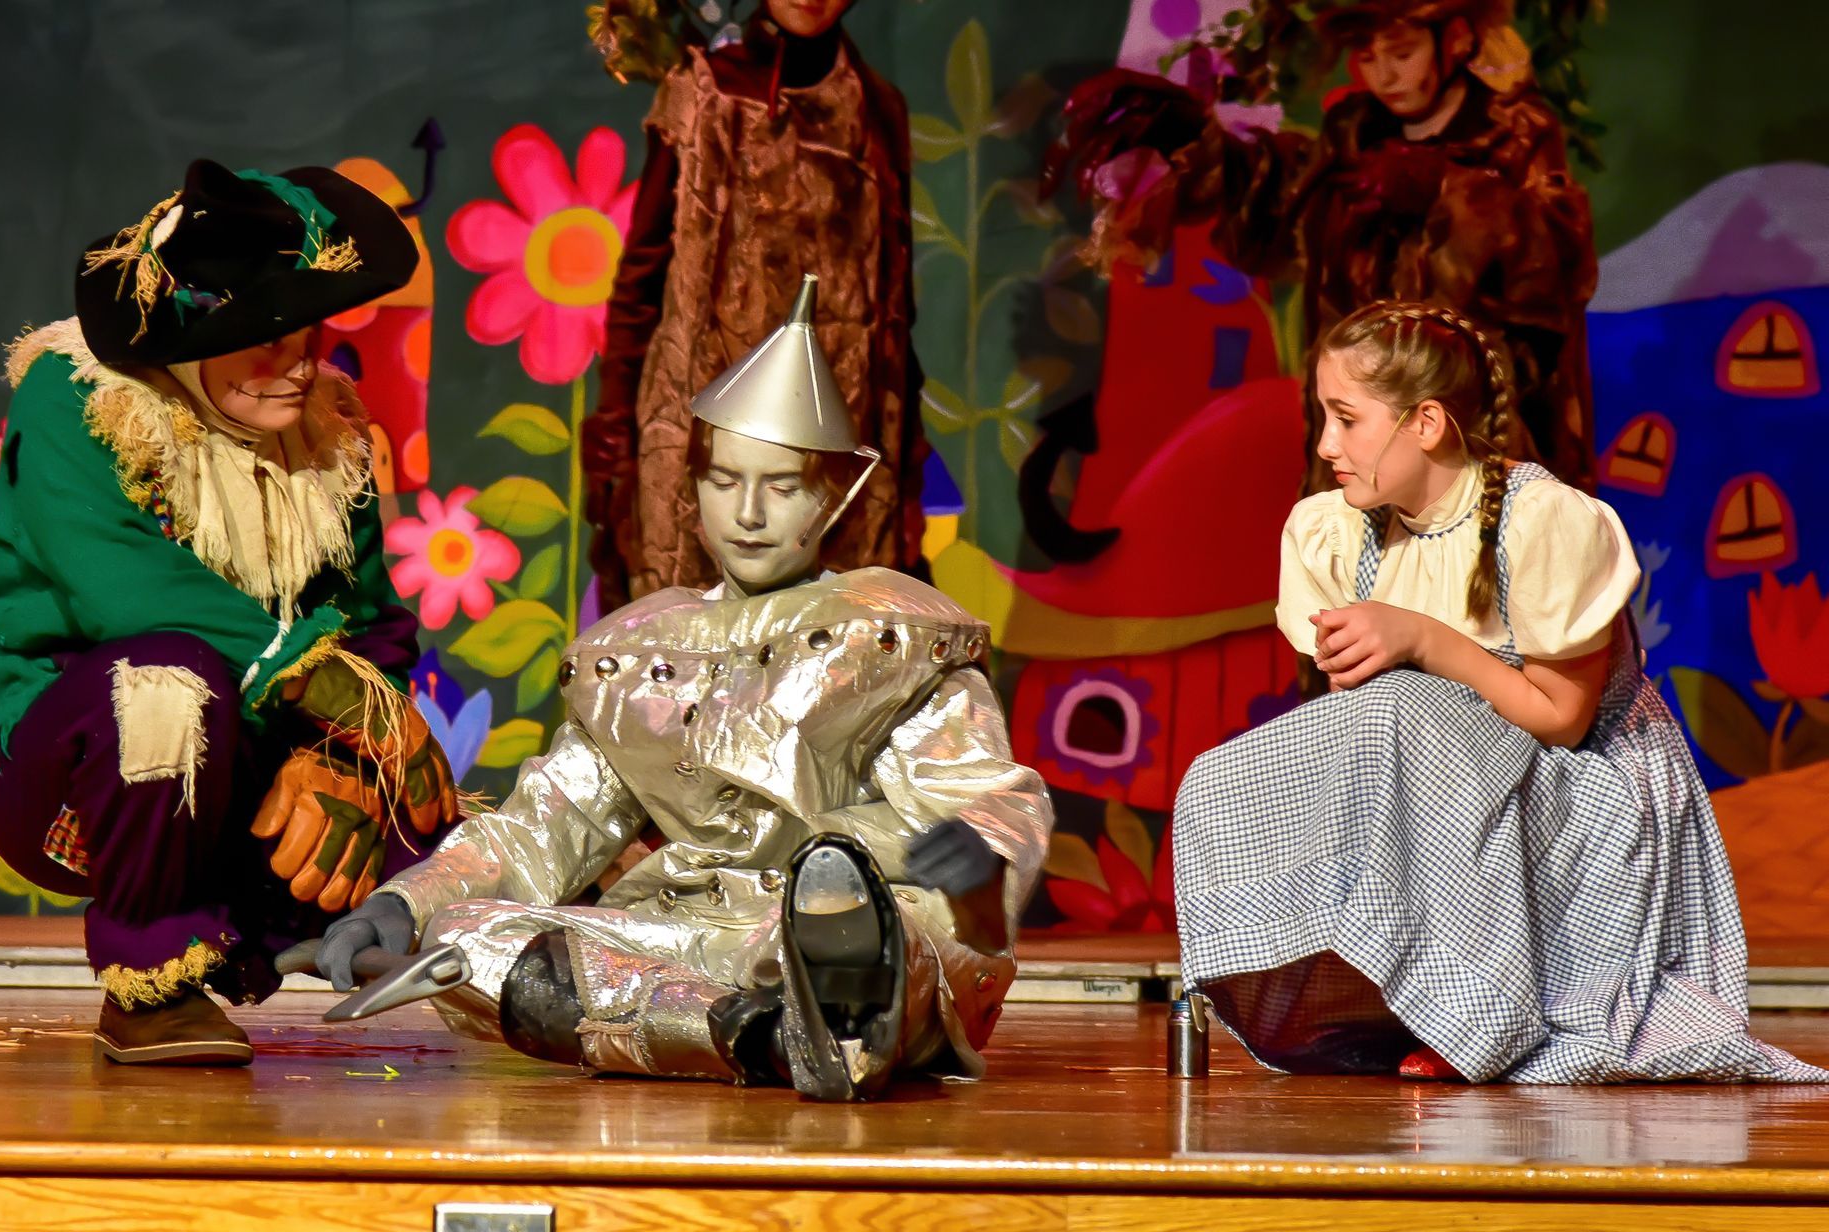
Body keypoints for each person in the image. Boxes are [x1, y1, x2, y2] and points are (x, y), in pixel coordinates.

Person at [316, 277, 1051, 1101]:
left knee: (908, 932)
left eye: (781, 485)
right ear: (692, 482)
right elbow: (547, 825)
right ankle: (758, 1037)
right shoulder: (639, 653)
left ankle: (823, 1004)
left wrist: (977, 853)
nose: (747, 512)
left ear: (833, 490)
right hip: (686, 938)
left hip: (845, 918)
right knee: (470, 941)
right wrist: (409, 904)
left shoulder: (891, 634)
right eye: (723, 479)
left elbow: (987, 797)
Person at [1170, 299, 1826, 1084]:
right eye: (1323, 416)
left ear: (1427, 423)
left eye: (1347, 419)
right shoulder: (1334, 530)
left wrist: (1423, 639)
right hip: (1441, 765)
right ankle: (1296, 986)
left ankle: (1481, 1013)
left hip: (1581, 782)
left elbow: (1564, 718)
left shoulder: (1543, 521)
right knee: (1222, 774)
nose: (1325, 445)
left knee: (1398, 717)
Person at [0, 160, 455, 1065]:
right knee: (164, 681)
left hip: (244, 744)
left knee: (432, 812)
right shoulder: (79, 399)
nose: (302, 362)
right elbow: (124, 592)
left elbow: (371, 623)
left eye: (311, 330)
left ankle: (264, 932)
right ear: (191, 333)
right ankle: (150, 985)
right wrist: (322, 683)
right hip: (69, 758)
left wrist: (334, 757)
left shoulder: (329, 431)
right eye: (266, 336)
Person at [1048, 0, 1598, 495]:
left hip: (1473, 442)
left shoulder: (1515, 135)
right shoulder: (1353, 131)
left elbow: (1553, 271)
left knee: (1456, 592)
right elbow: (1287, 219)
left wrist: (1448, 191)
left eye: (1402, 53)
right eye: (1367, 56)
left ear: (1455, 38)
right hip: (1361, 438)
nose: (1385, 75)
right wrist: (1201, 146)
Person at [581, 0, 931, 614]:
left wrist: (902, 487)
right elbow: (640, 282)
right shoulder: (704, 93)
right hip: (701, 443)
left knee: (831, 667)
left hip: (835, 451)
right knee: (690, 661)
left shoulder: (877, 111)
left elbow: (894, 319)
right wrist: (615, 452)